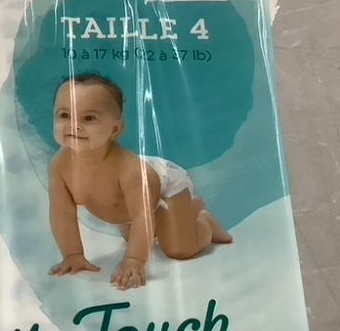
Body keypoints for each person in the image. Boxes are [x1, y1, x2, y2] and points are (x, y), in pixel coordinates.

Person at [49, 74, 232, 290]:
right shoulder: (59, 166)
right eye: (64, 115)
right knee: (135, 237)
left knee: (179, 248)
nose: (74, 125)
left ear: (115, 130)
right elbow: (62, 213)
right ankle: (177, 214)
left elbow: (141, 216)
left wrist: (134, 260)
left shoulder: (130, 171)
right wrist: (73, 254)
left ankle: (203, 221)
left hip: (166, 183)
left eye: (88, 118)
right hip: (130, 204)